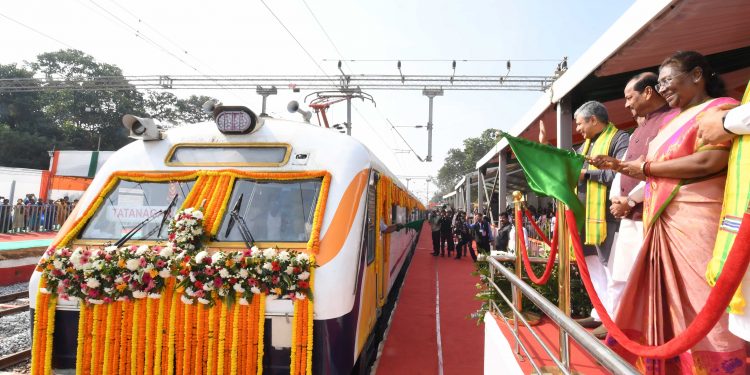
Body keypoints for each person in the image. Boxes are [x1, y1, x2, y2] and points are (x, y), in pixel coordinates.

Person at [595, 51, 744, 373]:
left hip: (699, 221)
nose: (662, 89)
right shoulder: (671, 122)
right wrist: (628, 168)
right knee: (669, 308)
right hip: (662, 221)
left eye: (667, 80)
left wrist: (645, 168)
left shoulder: (720, 110)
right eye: (659, 82)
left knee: (704, 304)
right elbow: (655, 171)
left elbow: (710, 162)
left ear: (696, 75)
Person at [598, 73, 677, 335]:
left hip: (651, 215)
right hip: (628, 216)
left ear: (648, 92)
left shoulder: (671, 121)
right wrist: (617, 200)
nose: (626, 105)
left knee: (651, 284)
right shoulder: (638, 130)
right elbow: (625, 169)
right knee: (621, 278)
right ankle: (618, 332)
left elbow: (661, 170)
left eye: (629, 97)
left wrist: (631, 200)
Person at [562, 100, 629, 333]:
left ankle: (613, 322)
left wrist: (586, 175)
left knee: (611, 270)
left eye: (580, 124)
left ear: (593, 119)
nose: (578, 129)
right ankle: (599, 313)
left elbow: (621, 173)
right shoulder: (585, 146)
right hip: (585, 218)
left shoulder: (620, 139)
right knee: (593, 268)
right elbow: (569, 166)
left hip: (608, 218)